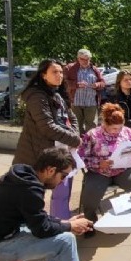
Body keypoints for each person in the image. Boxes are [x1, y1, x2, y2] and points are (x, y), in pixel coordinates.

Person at [14, 59, 81, 220]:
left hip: (61, 154)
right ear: (44, 75)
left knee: (61, 196)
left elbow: (72, 118)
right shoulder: (36, 96)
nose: (59, 75)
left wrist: (75, 135)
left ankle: (61, 228)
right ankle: (32, 231)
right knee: (33, 199)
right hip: (36, 156)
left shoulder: (57, 93)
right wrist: (75, 140)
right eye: (54, 72)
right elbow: (47, 126)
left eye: (60, 72)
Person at [78, 103, 131, 230]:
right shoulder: (92, 134)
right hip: (99, 172)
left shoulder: (127, 131)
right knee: (90, 197)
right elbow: (82, 157)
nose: (117, 131)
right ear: (104, 124)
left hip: (124, 170)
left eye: (120, 128)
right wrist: (99, 163)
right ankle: (90, 224)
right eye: (114, 129)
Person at [65, 48, 105, 135]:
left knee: (92, 127)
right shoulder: (70, 68)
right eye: (82, 59)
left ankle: (91, 145)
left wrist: (97, 85)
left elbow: (103, 82)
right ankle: (77, 146)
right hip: (76, 102)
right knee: (76, 127)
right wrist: (77, 85)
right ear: (78, 58)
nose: (85, 61)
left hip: (91, 102)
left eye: (87, 59)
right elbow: (65, 83)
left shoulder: (94, 69)